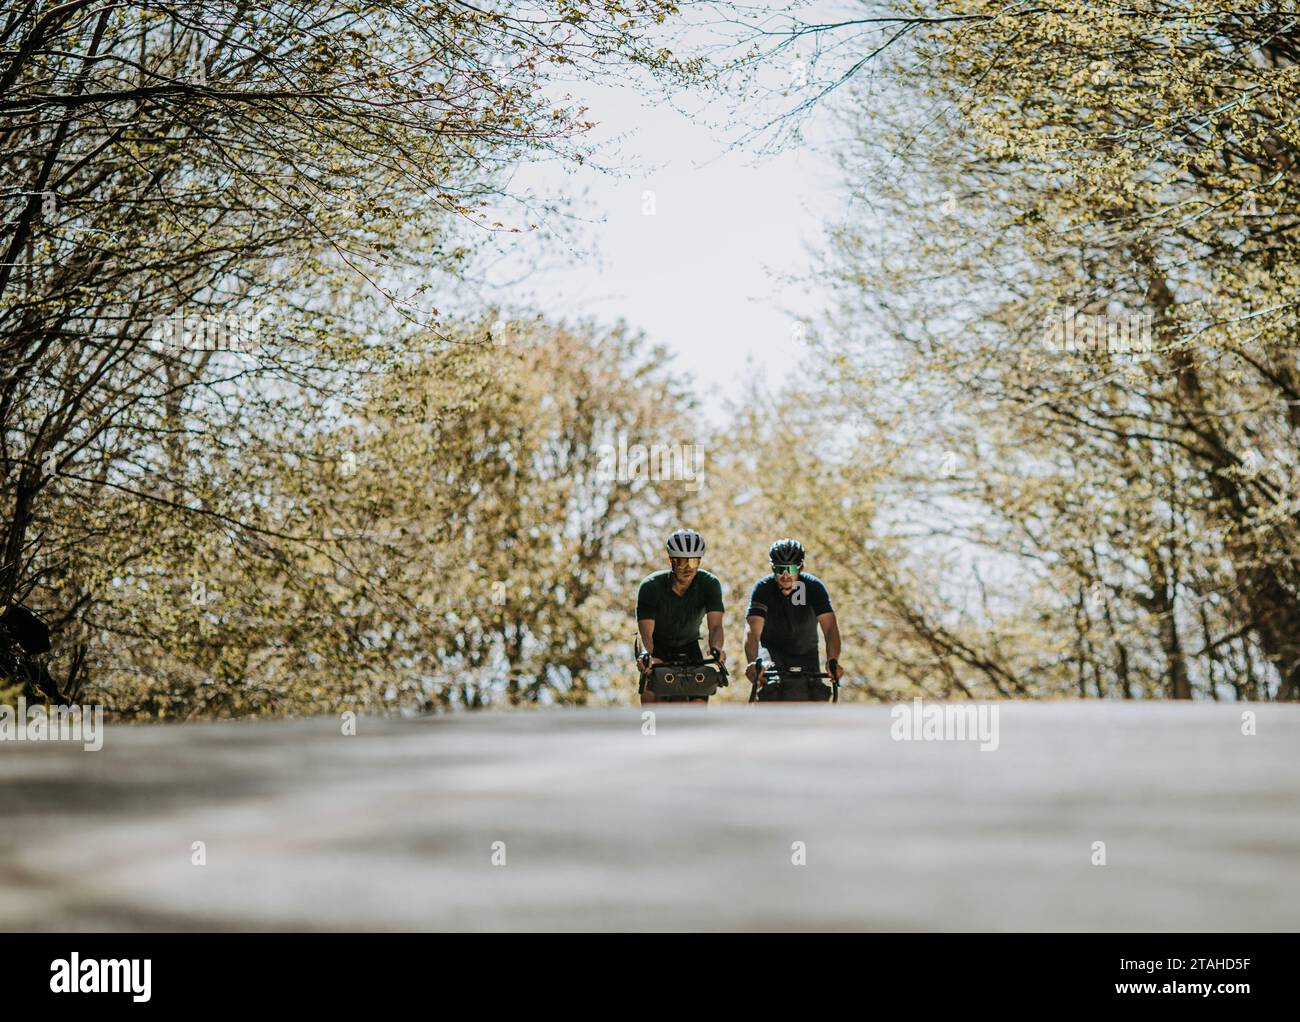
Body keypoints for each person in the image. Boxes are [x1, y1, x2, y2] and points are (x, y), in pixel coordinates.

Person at [743, 539, 843, 701]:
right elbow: (752, 631)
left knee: (815, 697)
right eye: (780, 569)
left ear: (801, 567)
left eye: (791, 569)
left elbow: (830, 628)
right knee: (770, 691)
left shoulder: (813, 587)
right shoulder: (763, 588)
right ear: (772, 568)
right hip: (771, 652)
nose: (785, 575)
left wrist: (832, 661)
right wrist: (752, 663)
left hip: (806, 653)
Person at [635, 529, 726, 704]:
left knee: (700, 693)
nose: (688, 568)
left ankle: (696, 731)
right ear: (671, 560)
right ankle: (649, 730)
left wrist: (717, 648)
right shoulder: (651, 586)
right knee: (650, 689)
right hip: (658, 647)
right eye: (683, 561)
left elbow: (715, 626)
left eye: (693, 561)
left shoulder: (710, 584)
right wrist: (647, 656)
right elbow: (645, 633)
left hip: (690, 646)